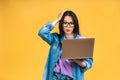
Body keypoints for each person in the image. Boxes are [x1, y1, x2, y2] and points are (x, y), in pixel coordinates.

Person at [38, 10, 93, 80]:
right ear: (61, 24)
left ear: (75, 25)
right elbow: (42, 32)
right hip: (55, 77)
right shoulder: (56, 39)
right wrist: (58, 19)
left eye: (71, 23)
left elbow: (88, 64)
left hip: (72, 78)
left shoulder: (82, 41)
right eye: (65, 23)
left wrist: (75, 60)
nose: (68, 26)